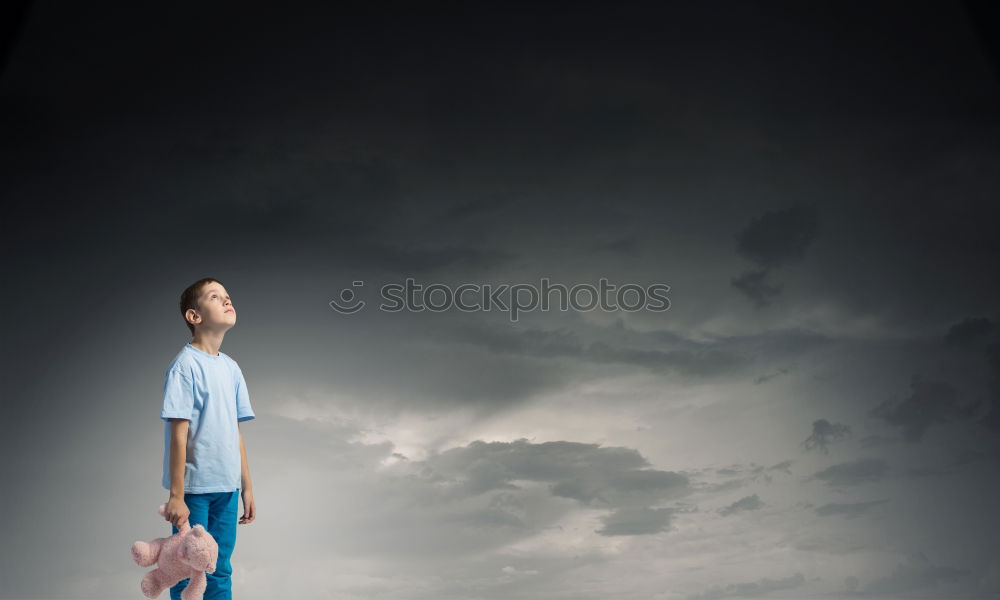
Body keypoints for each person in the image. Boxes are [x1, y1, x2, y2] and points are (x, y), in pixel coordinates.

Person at [161, 277, 257, 600]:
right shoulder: (184, 367)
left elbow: (236, 432)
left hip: (227, 490)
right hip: (194, 491)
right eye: (216, 297)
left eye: (228, 296)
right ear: (194, 316)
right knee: (187, 567)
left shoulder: (232, 369)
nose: (227, 300)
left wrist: (247, 486)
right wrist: (177, 495)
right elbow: (178, 435)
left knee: (219, 567)